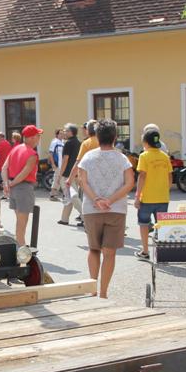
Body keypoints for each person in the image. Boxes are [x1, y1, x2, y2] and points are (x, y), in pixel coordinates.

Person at [77, 119, 134, 299]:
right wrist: (110, 200)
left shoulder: (88, 157)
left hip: (92, 209)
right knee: (109, 252)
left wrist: (96, 199)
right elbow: (129, 183)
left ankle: (92, 288)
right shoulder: (122, 158)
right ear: (115, 137)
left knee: (93, 249)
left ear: (96, 136)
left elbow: (82, 181)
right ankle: (103, 293)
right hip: (116, 209)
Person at [134, 129, 172, 258]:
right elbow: (169, 177)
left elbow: (142, 176)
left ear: (145, 142)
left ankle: (145, 251)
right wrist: (165, 190)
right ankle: (162, 252)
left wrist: (137, 196)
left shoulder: (144, 156)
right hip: (162, 197)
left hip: (147, 198)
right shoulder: (165, 156)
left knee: (144, 224)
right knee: (161, 225)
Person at [2, 125, 42, 246]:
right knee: (21, 225)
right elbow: (24, 174)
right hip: (23, 188)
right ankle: (21, 251)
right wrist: (11, 184)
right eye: (38, 136)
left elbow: (4, 167)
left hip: (14, 188)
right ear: (32, 138)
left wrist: (6, 184)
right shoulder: (32, 154)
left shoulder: (15, 148)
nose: (39, 139)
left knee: (19, 222)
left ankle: (20, 247)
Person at [57, 123, 82, 225]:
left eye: (66, 130)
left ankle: (84, 216)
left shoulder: (68, 143)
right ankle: (64, 218)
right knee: (69, 196)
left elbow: (65, 160)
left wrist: (60, 174)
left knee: (72, 196)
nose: (64, 132)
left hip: (67, 173)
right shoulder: (78, 142)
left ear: (71, 132)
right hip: (76, 172)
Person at [48, 129, 64, 199]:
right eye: (60, 133)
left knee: (59, 179)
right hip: (57, 164)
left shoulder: (62, 142)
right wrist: (53, 164)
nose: (62, 135)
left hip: (62, 165)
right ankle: (53, 194)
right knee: (57, 178)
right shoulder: (55, 142)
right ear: (57, 134)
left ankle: (54, 194)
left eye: (62, 133)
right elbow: (51, 153)